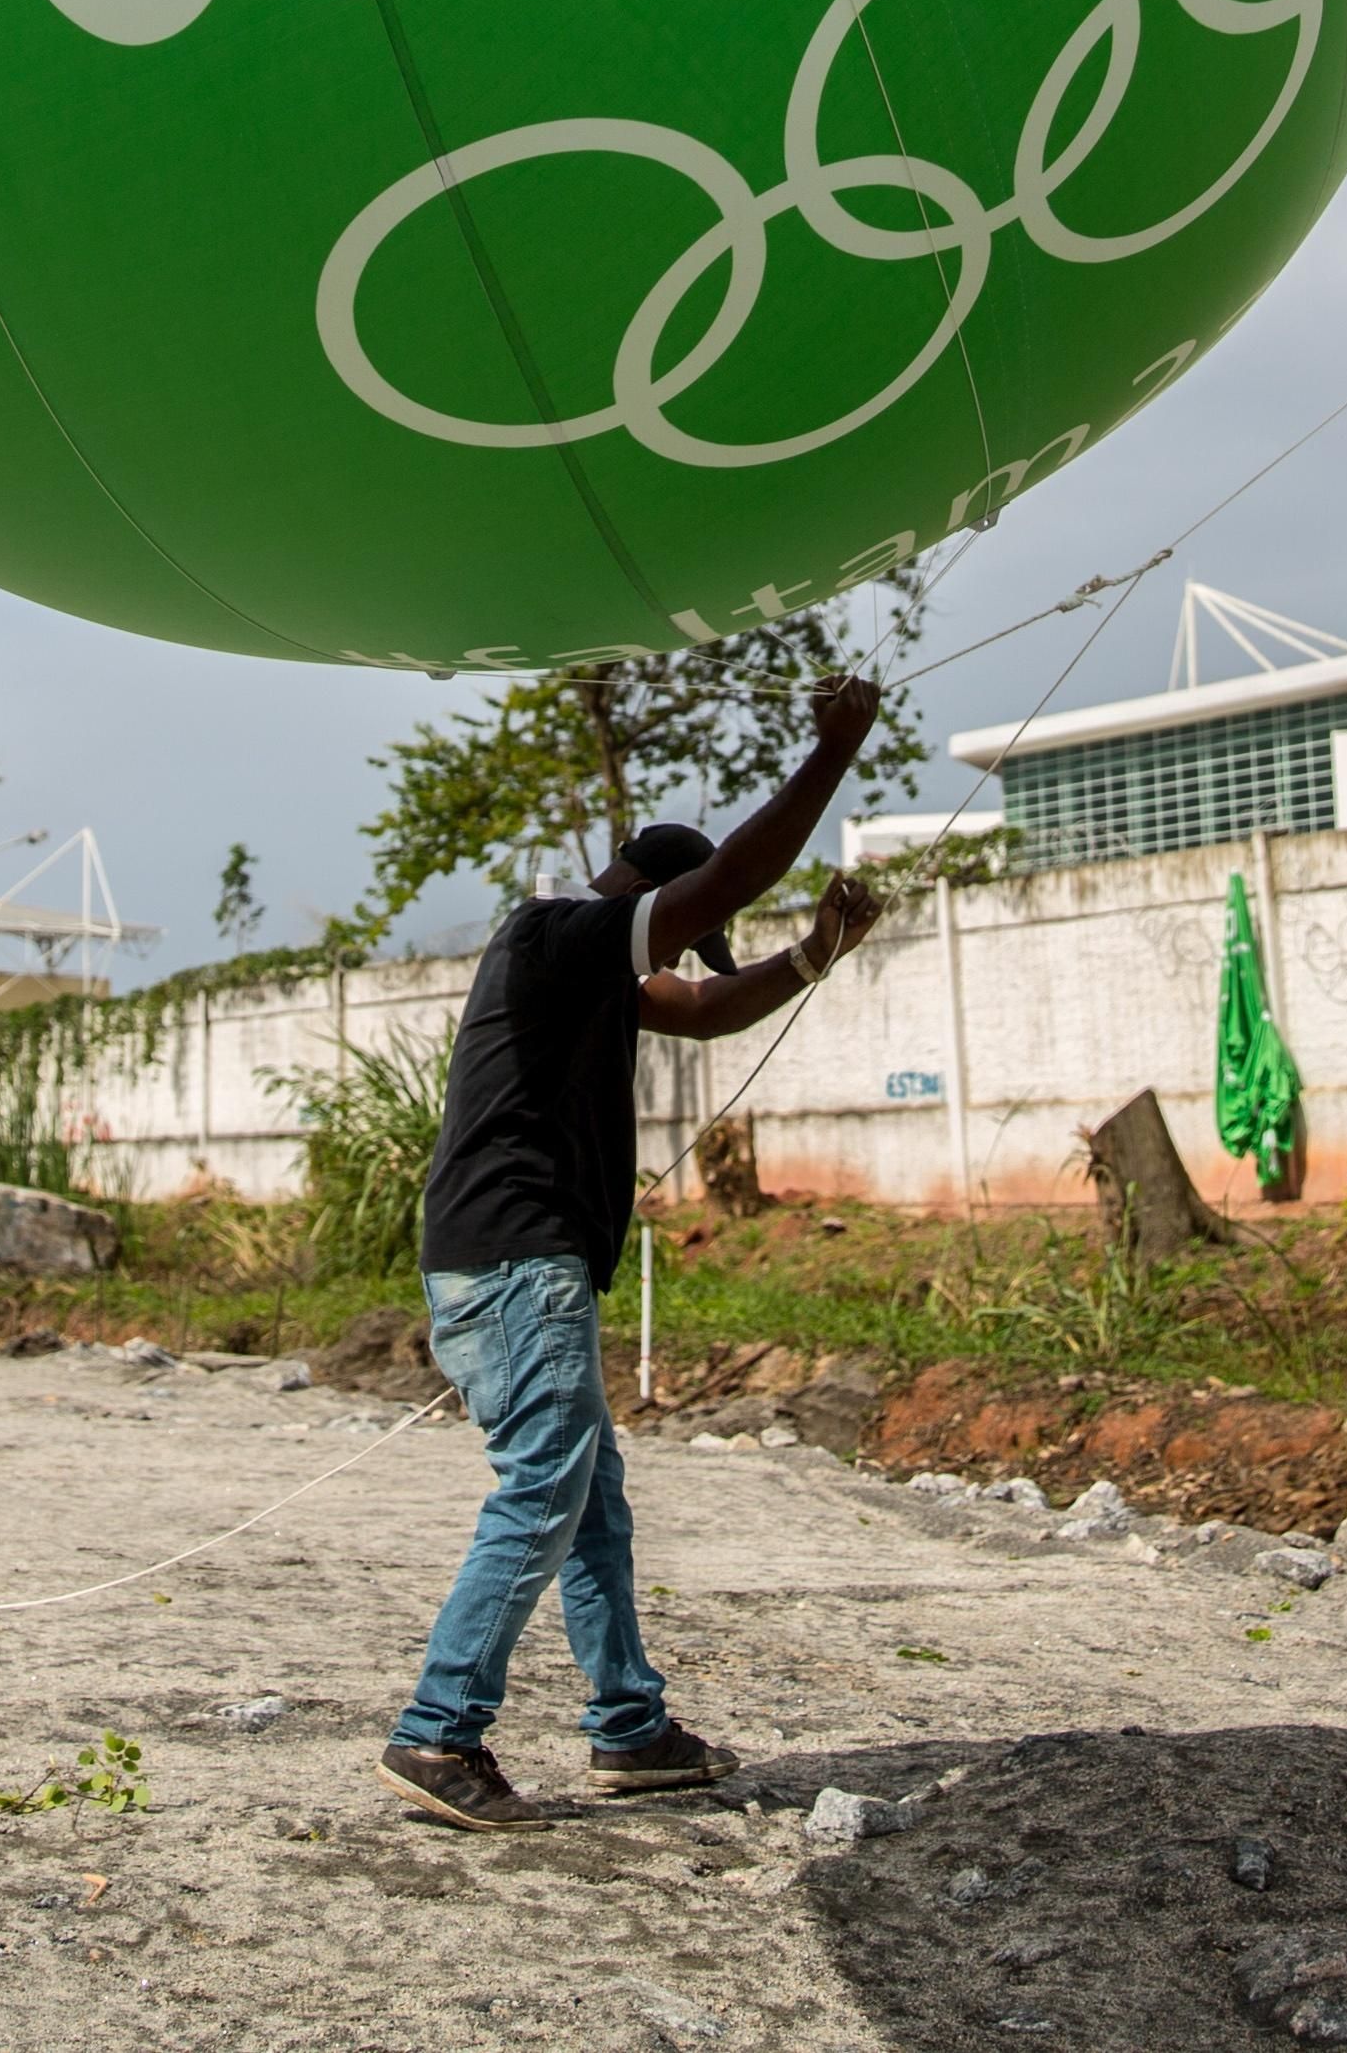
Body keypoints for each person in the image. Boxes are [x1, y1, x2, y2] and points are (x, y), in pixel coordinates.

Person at [377, 675, 889, 1829]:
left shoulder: (594, 982)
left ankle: (629, 1727)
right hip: (515, 1263)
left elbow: (708, 1010)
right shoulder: (554, 934)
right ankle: (438, 1729)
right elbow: (730, 881)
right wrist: (831, 753)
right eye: (682, 924)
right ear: (647, 893)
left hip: (528, 1266)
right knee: (546, 1486)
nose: (682, 956)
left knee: (589, 1503)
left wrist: (815, 954)